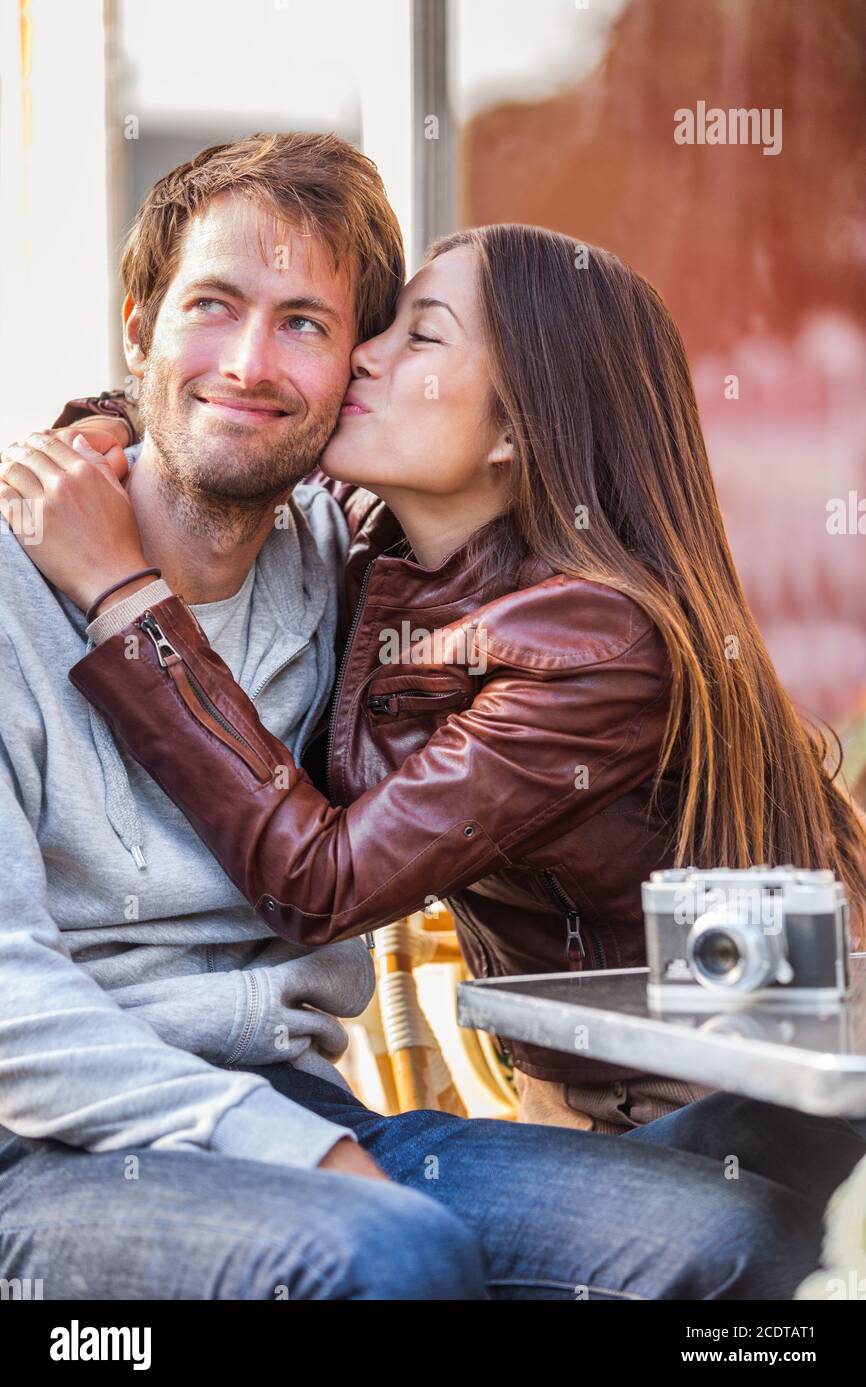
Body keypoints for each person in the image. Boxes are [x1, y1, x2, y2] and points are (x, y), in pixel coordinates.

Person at [1, 132, 863, 1302]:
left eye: (312, 324)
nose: (260, 363)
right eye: (213, 307)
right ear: (139, 323)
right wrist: (112, 427)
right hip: (50, 1145)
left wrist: (124, 596)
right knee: (390, 1252)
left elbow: (321, 877)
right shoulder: (65, 571)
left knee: (732, 1244)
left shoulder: (378, 563)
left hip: (360, 1093)